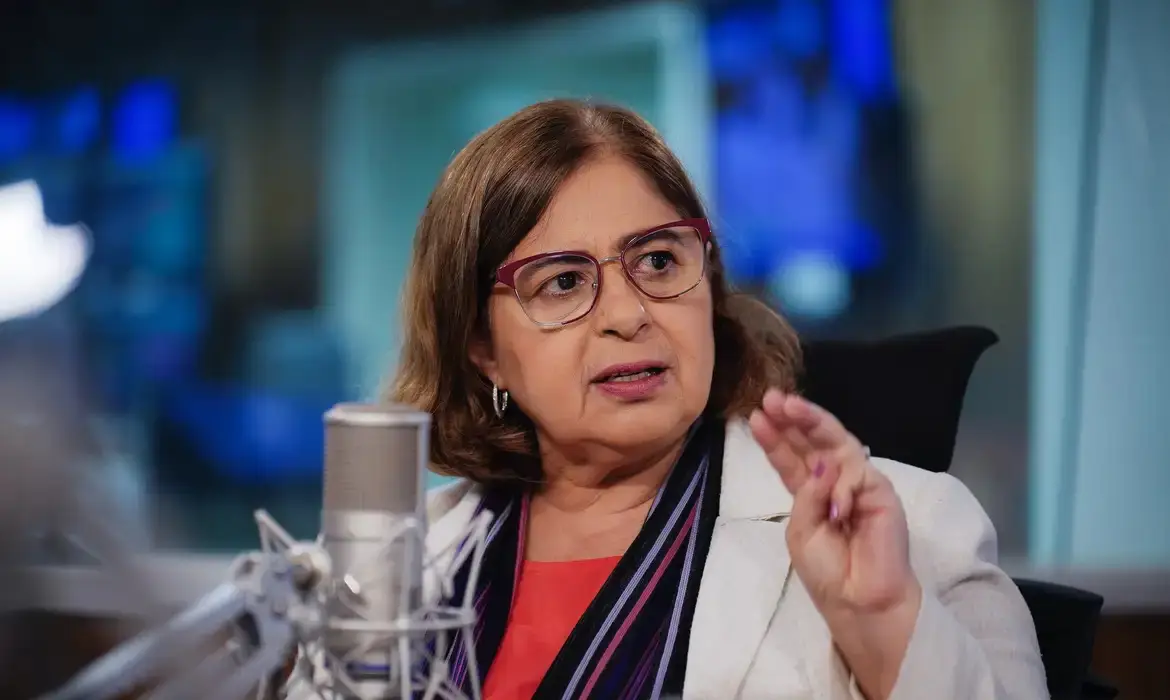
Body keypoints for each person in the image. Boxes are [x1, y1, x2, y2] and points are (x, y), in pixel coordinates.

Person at [390, 99, 1046, 699]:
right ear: (483, 348)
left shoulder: (918, 526)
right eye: (563, 281)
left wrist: (884, 621)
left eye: (658, 261)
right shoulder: (401, 562)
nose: (627, 314)